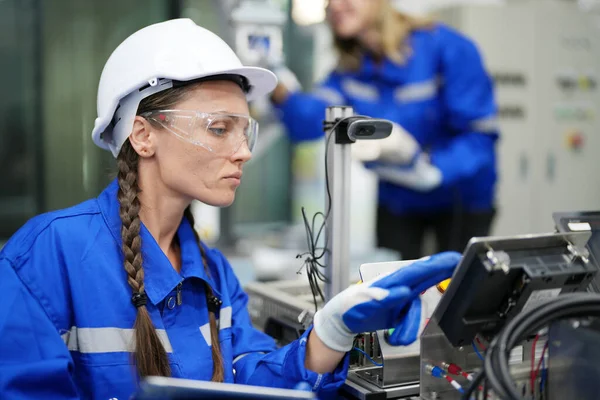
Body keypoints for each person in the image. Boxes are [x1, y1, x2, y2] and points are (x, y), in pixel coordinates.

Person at [0, 18, 460, 400]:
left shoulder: (213, 274)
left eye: (245, 132)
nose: (242, 152)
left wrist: (332, 331)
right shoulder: (47, 256)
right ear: (142, 135)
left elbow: (251, 378)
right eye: (220, 128)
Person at [270, 0, 499, 260]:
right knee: (393, 287)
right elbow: (314, 119)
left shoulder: (446, 48)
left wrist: (433, 170)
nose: (335, 5)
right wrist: (275, 85)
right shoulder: (351, 69)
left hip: (460, 200)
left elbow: (479, 135)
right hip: (397, 200)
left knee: (457, 289)